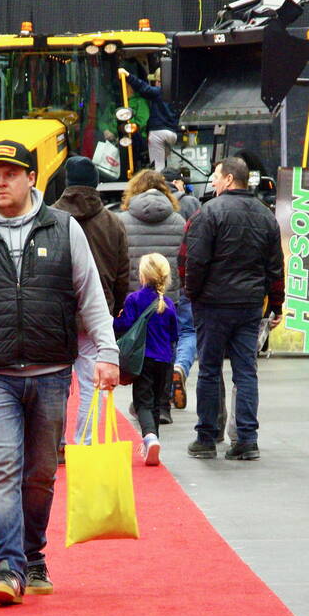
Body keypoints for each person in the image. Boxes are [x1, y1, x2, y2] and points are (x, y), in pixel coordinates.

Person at [0, 140, 119, 606]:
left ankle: (33, 556)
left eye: (10, 173)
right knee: (3, 470)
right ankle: (7, 567)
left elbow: (91, 296)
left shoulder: (64, 228)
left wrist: (107, 352)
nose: (0, 182)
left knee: (41, 474)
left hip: (52, 372)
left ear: (32, 177)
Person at [180, 157, 283, 461]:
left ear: (227, 179)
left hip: (212, 305)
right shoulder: (266, 216)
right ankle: (247, 440)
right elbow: (275, 267)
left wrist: (193, 294)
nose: (212, 181)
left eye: (215, 176)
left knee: (210, 370)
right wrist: (275, 305)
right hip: (249, 306)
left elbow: (192, 260)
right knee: (245, 371)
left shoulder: (207, 214)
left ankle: (207, 437)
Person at [53, 155, 130, 444]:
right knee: (90, 383)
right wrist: (115, 307)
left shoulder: (50, 218)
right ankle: (83, 442)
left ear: (67, 182)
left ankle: (56, 442)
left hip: (55, 315)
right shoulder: (112, 222)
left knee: (55, 384)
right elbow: (123, 271)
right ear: (96, 183)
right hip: (95, 315)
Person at [117, 169, 185, 425]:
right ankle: (162, 402)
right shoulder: (178, 221)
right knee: (167, 345)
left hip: (135, 295)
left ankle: (142, 400)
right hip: (168, 295)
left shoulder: (122, 220)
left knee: (139, 347)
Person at [114, 253, 179, 465]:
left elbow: (123, 325)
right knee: (157, 404)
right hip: (164, 361)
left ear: (142, 276)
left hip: (143, 360)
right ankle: (154, 443)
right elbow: (175, 335)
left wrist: (113, 320)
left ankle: (149, 437)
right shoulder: (169, 304)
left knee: (142, 402)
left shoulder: (133, 300)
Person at [161, 167, 201, 409]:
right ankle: (180, 367)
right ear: (177, 183)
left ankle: (163, 385)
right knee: (187, 331)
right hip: (183, 279)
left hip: (154, 279)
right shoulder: (192, 204)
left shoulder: (137, 204)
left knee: (163, 335)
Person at [119, 67, 178, 171]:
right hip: (173, 134)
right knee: (166, 164)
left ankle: (158, 185)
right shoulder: (177, 95)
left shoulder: (160, 91)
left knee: (157, 167)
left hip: (158, 133)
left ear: (160, 82)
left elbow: (143, 87)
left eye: (155, 81)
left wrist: (128, 76)